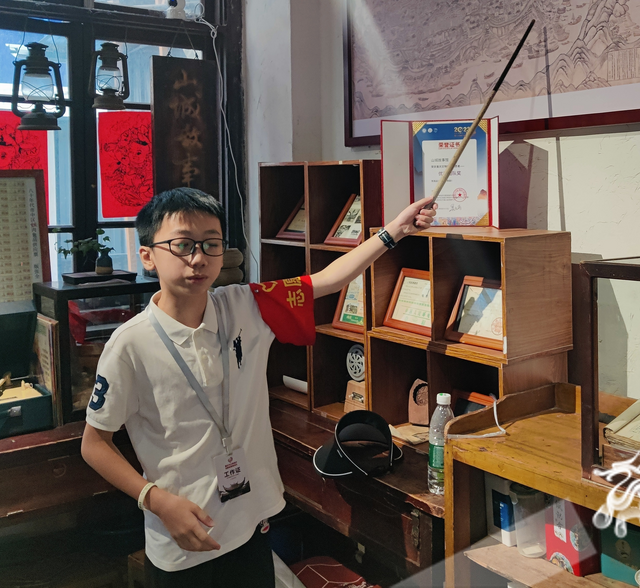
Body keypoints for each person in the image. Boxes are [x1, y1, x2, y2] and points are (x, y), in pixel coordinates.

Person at [80, 187, 435, 587]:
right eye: (182, 245)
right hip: (183, 535)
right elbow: (94, 444)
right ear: (148, 256)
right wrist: (155, 501)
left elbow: (326, 281)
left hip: (250, 523)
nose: (198, 258)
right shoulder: (129, 344)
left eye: (211, 244)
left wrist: (393, 231)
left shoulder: (246, 305)